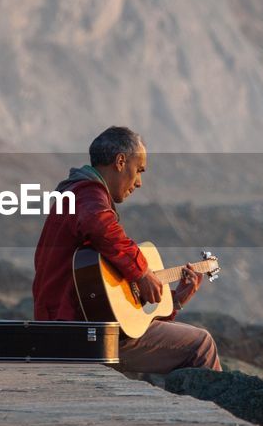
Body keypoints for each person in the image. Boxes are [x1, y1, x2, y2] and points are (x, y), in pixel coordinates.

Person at [33, 126, 221, 373]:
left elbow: (112, 304)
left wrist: (174, 302)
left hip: (77, 326)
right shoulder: (87, 194)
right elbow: (101, 226)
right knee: (201, 345)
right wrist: (142, 273)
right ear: (120, 162)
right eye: (139, 170)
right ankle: (209, 413)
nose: (140, 182)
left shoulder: (75, 196)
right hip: (78, 333)